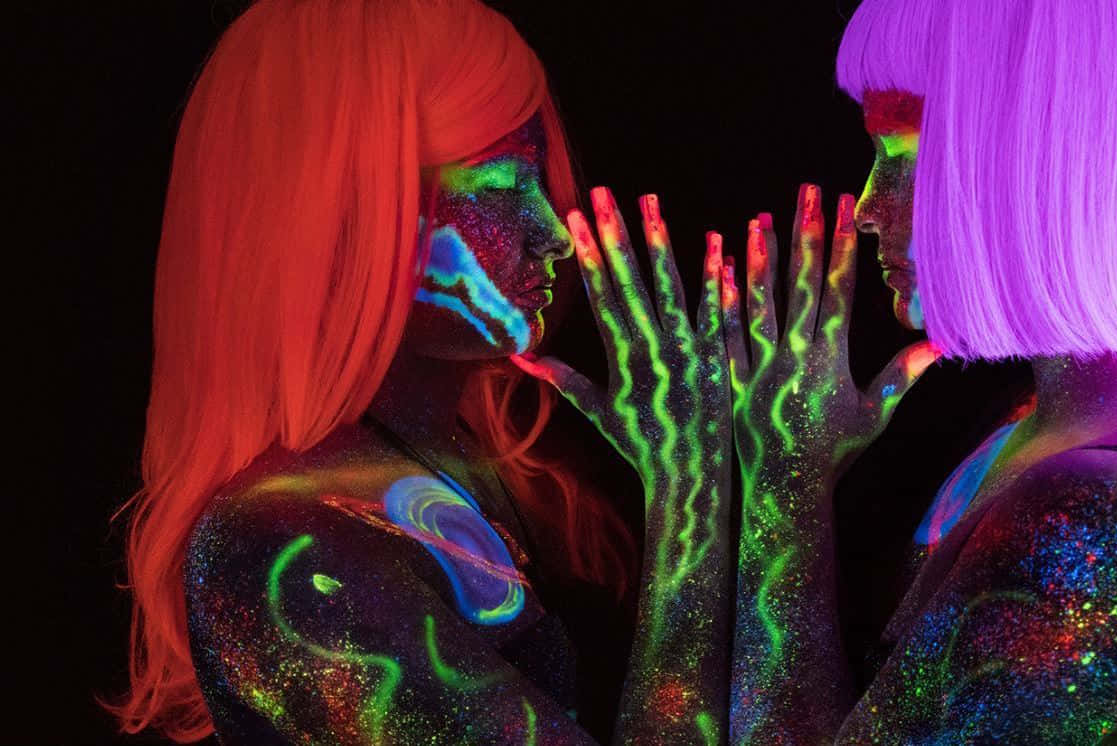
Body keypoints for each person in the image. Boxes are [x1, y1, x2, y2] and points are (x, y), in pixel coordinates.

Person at [105, 1, 730, 743]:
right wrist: (693, 492)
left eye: (538, 181)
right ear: (341, 214)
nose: (554, 232)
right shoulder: (279, 550)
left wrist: (771, 483)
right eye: (501, 186)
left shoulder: (507, 466)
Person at [725, 0, 1117, 743]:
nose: (869, 206)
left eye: (910, 156)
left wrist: (773, 483)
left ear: (1060, 163)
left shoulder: (1110, 519)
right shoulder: (1050, 427)